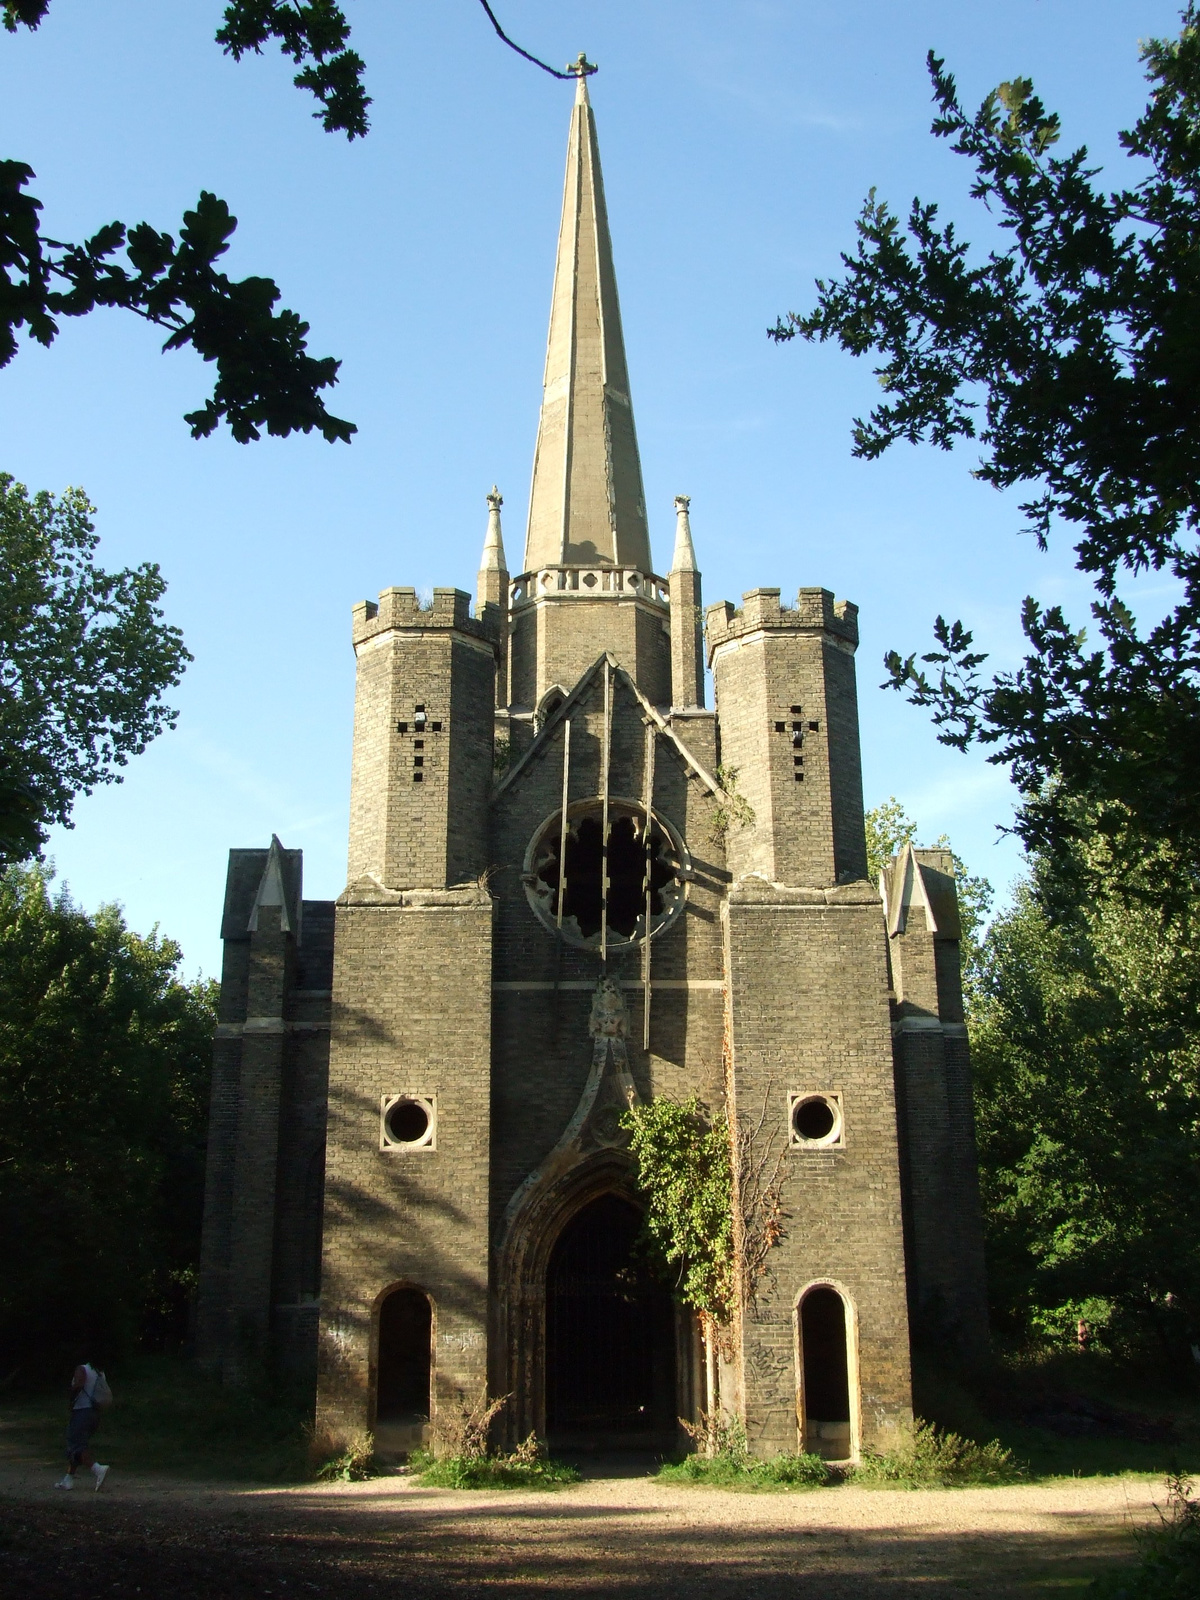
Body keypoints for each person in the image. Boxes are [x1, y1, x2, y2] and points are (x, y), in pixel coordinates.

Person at [54, 1359, 110, 1490]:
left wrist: (71, 1398)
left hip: (81, 1412)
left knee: (76, 1445)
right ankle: (68, 1478)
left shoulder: (82, 1368)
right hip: (94, 1413)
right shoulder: (99, 1372)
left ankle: (97, 1469)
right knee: (77, 1445)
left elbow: (79, 1384)